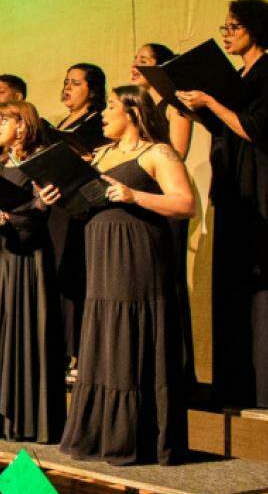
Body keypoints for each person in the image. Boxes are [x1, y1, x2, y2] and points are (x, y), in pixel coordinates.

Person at [46, 86, 194, 465]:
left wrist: (134, 197)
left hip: (136, 253)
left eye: (110, 107)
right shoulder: (101, 155)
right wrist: (56, 193)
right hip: (101, 254)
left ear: (132, 112)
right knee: (106, 333)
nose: (102, 115)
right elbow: (84, 207)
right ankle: (102, 432)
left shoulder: (156, 152)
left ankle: (138, 435)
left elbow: (185, 203)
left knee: (132, 330)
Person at [177, 0, 268, 409]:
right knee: (233, 279)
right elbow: (222, 126)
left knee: (264, 281)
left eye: (234, 26)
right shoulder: (238, 75)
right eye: (225, 27)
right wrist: (191, 104)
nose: (227, 34)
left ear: (255, 29)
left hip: (263, 183)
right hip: (235, 184)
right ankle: (235, 382)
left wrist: (212, 102)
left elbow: (256, 128)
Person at [0, 100, 64, 440]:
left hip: (26, 258)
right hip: (0, 253)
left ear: (22, 125)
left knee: (23, 328)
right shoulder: (1, 165)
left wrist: (2, 216)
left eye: (1, 119)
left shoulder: (41, 163)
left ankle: (23, 417)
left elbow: (39, 211)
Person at [132, 42, 197, 390]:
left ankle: (177, 368)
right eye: (135, 59)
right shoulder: (137, 109)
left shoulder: (174, 106)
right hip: (142, 201)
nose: (135, 65)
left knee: (168, 282)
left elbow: (179, 153)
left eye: (144, 61)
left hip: (165, 198)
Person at [50, 62, 107, 376]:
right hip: (57, 206)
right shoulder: (64, 121)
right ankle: (62, 350)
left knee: (77, 277)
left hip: (80, 207)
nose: (67, 87)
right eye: (65, 81)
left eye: (75, 83)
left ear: (93, 90)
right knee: (59, 277)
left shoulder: (96, 121)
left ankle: (80, 353)